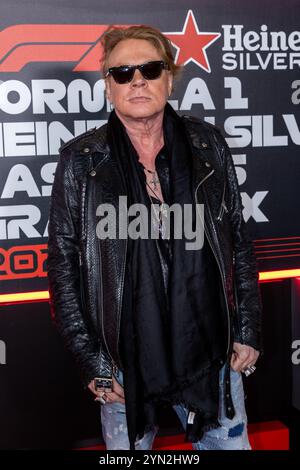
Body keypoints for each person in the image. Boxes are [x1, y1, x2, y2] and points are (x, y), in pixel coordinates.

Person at [47, 24, 262, 451]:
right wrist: (94, 362)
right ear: (108, 86)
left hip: (210, 347)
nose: (138, 80)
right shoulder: (80, 161)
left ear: (170, 76)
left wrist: (248, 327)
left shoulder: (208, 145)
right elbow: (63, 266)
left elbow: (237, 239)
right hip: (124, 357)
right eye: (122, 72)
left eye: (150, 68)